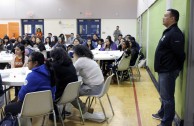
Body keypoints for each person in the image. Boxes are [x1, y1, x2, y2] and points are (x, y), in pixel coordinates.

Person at [152, 9, 185, 126]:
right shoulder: (169, 32)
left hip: (168, 71)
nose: (163, 18)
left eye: (165, 16)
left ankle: (166, 123)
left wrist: (174, 68)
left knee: (167, 98)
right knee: (164, 95)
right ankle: (162, 113)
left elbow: (180, 54)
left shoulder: (175, 33)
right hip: (164, 70)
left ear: (173, 18)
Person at [4, 52, 56, 116]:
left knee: (7, 108)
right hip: (48, 106)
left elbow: (21, 96)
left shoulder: (32, 76)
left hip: (33, 107)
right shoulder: (50, 71)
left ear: (35, 63)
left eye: (29, 61)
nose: (27, 63)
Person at [72, 45, 104, 115]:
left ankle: (83, 108)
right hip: (100, 86)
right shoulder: (88, 59)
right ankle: (81, 105)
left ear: (77, 53)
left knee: (70, 94)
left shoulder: (81, 60)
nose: (73, 54)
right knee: (73, 90)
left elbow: (72, 72)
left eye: (74, 53)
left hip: (93, 88)